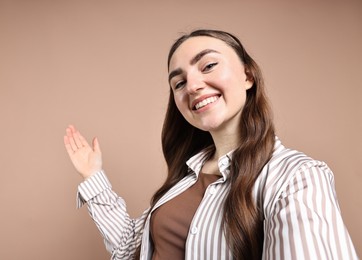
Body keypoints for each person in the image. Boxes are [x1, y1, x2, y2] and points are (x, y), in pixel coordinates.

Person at [64, 29, 358, 260]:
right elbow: (131, 249)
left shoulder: (296, 178)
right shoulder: (187, 177)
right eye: (178, 83)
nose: (192, 86)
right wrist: (94, 177)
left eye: (208, 66)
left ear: (247, 75)